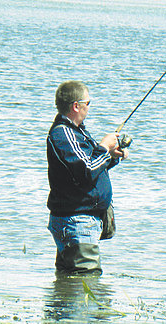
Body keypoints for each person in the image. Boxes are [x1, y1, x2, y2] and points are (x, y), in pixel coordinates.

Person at [46, 80, 128, 275]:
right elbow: (86, 170)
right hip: (76, 222)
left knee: (70, 283)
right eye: (88, 103)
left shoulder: (77, 132)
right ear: (76, 106)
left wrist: (110, 156)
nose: (89, 108)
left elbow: (87, 167)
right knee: (85, 281)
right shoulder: (62, 134)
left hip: (80, 222)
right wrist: (103, 148)